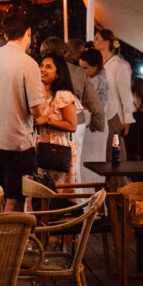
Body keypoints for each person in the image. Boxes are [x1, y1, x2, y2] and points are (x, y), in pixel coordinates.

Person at [0, 11, 47, 210]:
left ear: (5, 34)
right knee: (16, 198)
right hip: (17, 141)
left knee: (1, 193)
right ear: (28, 32)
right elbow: (37, 110)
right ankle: (7, 240)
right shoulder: (28, 63)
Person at [43, 36, 103, 182]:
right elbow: (94, 102)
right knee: (72, 165)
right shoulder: (78, 71)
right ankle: (73, 197)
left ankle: (50, 197)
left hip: (50, 122)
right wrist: (97, 122)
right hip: (76, 123)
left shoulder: (41, 71)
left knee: (47, 165)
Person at [34, 54, 81, 185]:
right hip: (40, 145)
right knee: (40, 189)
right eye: (41, 65)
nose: (42, 69)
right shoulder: (37, 94)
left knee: (58, 190)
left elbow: (72, 125)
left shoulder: (63, 95)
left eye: (48, 67)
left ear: (58, 75)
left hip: (58, 148)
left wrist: (47, 120)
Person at [94, 28, 133, 162]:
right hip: (99, 114)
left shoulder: (118, 66)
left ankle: (120, 181)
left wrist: (127, 118)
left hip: (113, 115)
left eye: (97, 39)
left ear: (107, 42)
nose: (94, 41)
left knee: (115, 152)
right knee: (101, 151)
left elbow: (126, 93)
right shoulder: (97, 65)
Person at [77, 48, 110, 183]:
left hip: (92, 123)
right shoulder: (97, 78)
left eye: (85, 68)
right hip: (93, 122)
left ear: (95, 66)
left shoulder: (97, 81)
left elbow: (93, 105)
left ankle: (89, 193)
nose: (82, 72)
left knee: (90, 161)